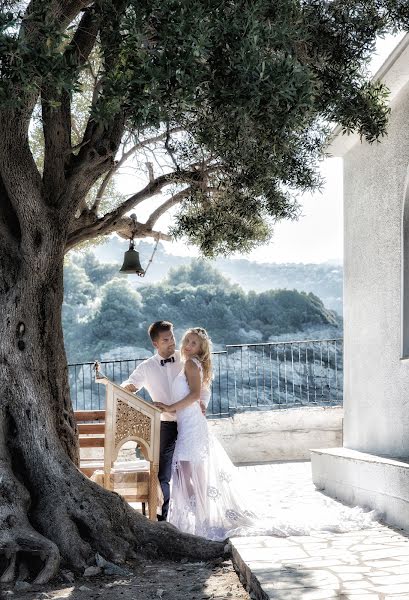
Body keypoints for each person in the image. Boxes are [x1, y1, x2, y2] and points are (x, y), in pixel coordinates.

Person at [154, 327, 377, 541]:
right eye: (188, 340)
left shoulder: (192, 364)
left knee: (189, 473)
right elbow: (200, 394)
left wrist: (169, 407)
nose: (189, 345)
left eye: (195, 343)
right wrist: (201, 402)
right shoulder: (190, 364)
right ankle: (200, 519)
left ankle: (201, 521)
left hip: (192, 426)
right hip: (190, 424)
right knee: (189, 473)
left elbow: (193, 395)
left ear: (201, 348)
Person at [121, 320, 181, 521]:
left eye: (172, 336)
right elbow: (130, 384)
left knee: (194, 468)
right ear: (156, 344)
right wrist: (125, 388)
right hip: (165, 424)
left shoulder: (184, 358)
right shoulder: (146, 367)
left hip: (189, 421)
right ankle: (165, 518)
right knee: (163, 474)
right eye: (166, 339)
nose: (172, 342)